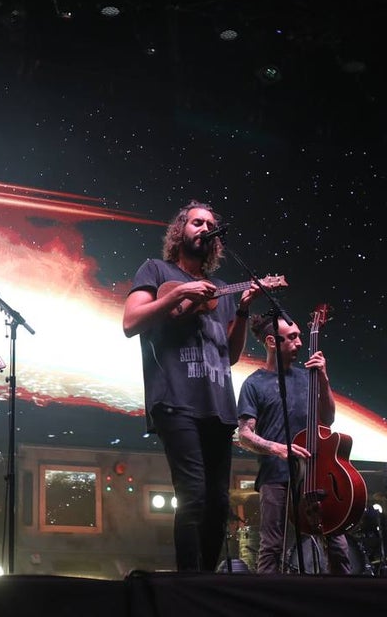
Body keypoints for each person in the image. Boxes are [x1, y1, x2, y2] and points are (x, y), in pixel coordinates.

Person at [122, 199, 257, 572]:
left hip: (218, 405)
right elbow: (131, 323)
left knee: (218, 503)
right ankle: (188, 586)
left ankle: (207, 581)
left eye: (209, 224)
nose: (203, 228)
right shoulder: (155, 269)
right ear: (180, 230)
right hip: (175, 400)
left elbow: (229, 356)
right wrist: (180, 293)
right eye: (196, 222)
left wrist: (243, 310)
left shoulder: (223, 288)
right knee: (193, 496)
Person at [237, 313, 353, 575]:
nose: (300, 343)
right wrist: (277, 448)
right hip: (275, 475)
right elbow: (244, 435)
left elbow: (329, 418)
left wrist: (323, 377)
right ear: (271, 341)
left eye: (300, 335)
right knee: (271, 547)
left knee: (337, 544)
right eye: (291, 338)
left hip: (315, 472)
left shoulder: (307, 377)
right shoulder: (254, 384)